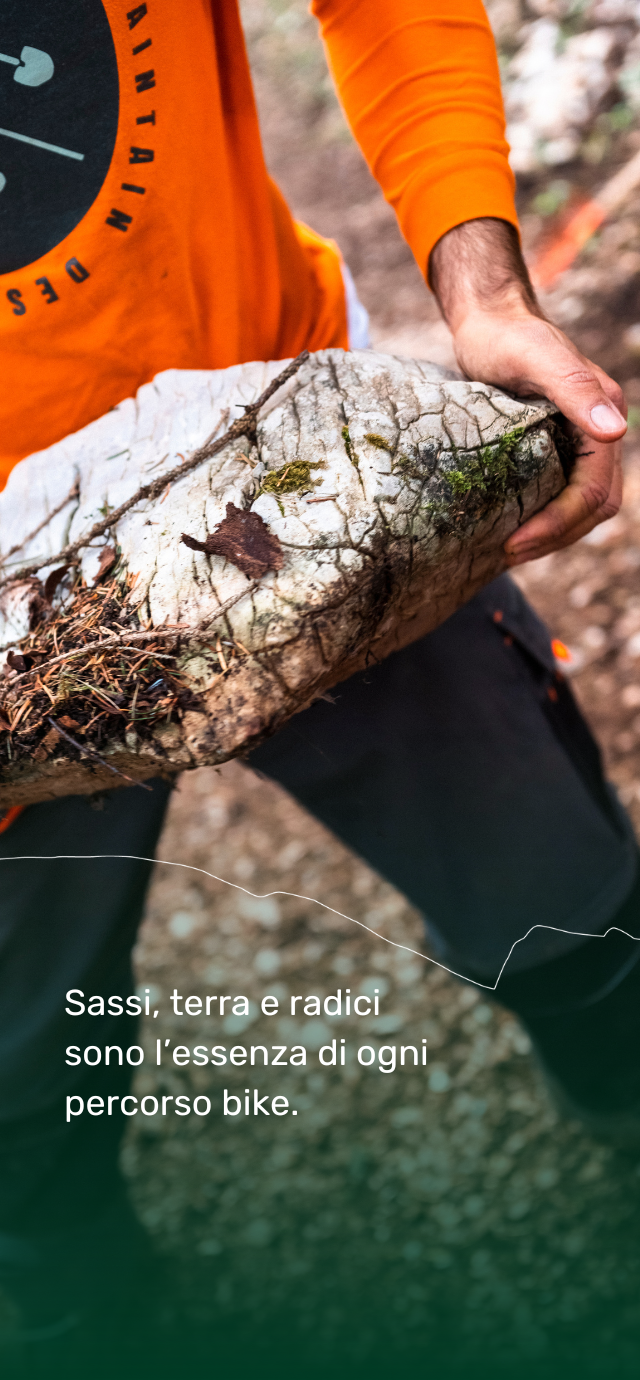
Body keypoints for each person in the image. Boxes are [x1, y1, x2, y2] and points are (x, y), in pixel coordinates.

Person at [0, 0, 638, 1348]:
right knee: (18, 1095)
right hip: (11, 643)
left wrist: (482, 287)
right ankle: (83, 1316)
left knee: (566, 902)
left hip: (299, 466)